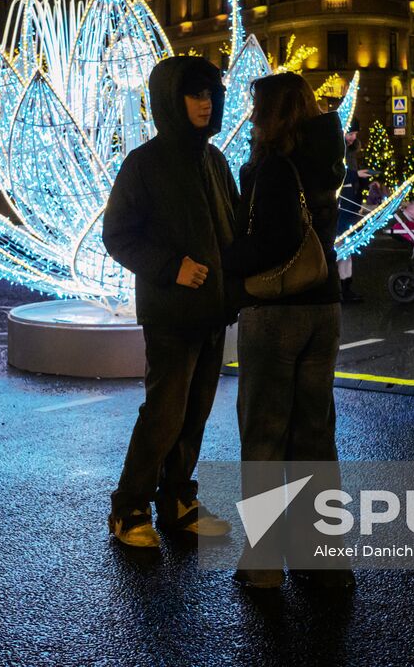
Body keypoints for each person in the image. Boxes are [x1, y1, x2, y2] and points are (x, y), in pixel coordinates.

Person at [102, 55, 238, 550]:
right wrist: (171, 267)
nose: (205, 103)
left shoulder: (215, 161)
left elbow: (233, 229)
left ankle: (177, 499)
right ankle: (130, 506)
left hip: (213, 313)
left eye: (209, 94)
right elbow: (117, 235)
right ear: (170, 100)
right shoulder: (145, 163)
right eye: (194, 94)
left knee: (196, 412)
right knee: (165, 412)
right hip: (170, 313)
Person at [223, 72, 351, 591]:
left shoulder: (275, 167)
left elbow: (272, 242)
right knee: (315, 435)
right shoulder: (326, 155)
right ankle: (323, 562)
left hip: (277, 310)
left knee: (265, 434)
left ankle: (263, 563)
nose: (250, 119)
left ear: (273, 113)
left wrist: (226, 262)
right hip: (324, 309)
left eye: (256, 109)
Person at [337, 123, 366, 302]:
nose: (353, 137)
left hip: (350, 202)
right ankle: (339, 287)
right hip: (340, 203)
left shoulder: (350, 151)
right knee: (341, 245)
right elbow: (336, 174)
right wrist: (356, 175)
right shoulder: (338, 150)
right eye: (350, 133)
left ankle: (346, 286)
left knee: (347, 246)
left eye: (355, 133)